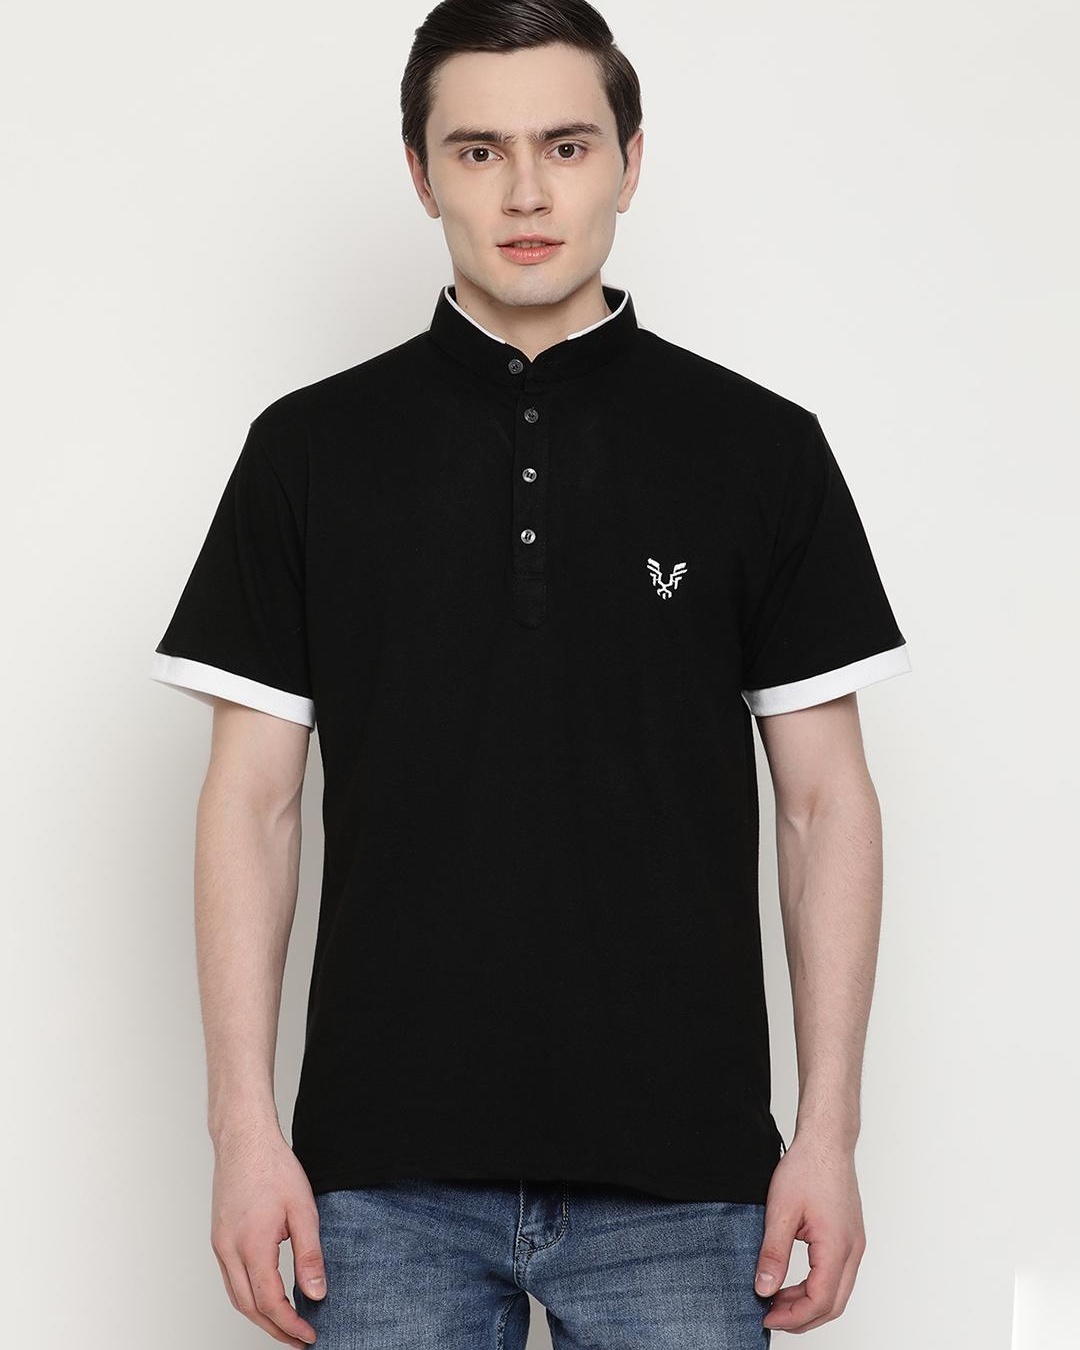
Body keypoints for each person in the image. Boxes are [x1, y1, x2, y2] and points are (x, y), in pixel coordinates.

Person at [150, 2, 912, 1346]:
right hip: (379, 1184)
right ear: (420, 172)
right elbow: (250, 806)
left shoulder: (759, 449)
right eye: (478, 149)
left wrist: (830, 1133)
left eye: (565, 145)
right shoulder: (308, 452)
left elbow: (824, 805)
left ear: (629, 159)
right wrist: (243, 1133)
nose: (525, 192)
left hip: (688, 1182)